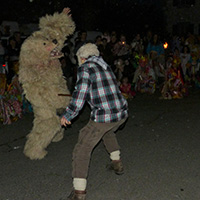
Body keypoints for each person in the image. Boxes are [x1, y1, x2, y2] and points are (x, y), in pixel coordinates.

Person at [60, 43, 128, 200]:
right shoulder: (105, 66)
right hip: (122, 112)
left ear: (82, 58)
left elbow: (80, 94)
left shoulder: (85, 68)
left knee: (82, 148)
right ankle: (117, 164)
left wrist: (68, 115)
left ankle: (79, 193)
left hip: (105, 115)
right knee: (107, 131)